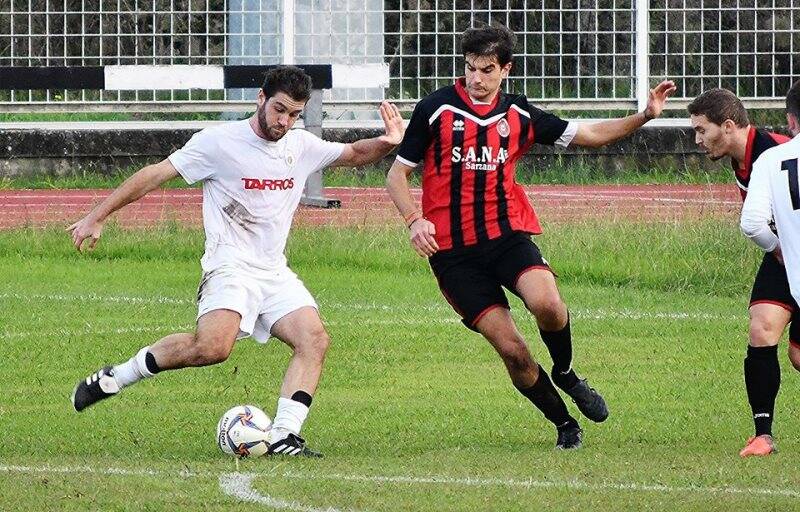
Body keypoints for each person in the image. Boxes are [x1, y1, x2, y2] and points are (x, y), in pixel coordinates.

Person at [68, 65, 405, 457]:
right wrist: (97, 215)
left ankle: (284, 435)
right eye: (279, 109)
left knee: (313, 338)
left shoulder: (301, 145)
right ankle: (117, 376)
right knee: (212, 348)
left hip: (273, 270)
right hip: (229, 265)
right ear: (261, 99)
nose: (285, 121)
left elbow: (354, 153)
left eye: (294, 114)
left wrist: (389, 140)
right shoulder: (218, 142)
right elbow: (155, 175)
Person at [386, 24, 675, 449]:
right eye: (470, 68)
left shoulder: (519, 114)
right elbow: (397, 175)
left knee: (549, 304)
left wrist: (645, 116)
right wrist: (414, 219)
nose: (476, 79)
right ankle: (564, 425)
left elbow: (588, 136)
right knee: (514, 351)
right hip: (453, 256)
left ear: (506, 69)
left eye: (486, 70)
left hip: (506, 238)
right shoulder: (435, 109)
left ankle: (566, 371)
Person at [688, 88, 795, 457]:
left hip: (786, 250)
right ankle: (763, 435)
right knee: (761, 327)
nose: (697, 140)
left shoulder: (777, 150)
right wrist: (777, 247)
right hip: (780, 253)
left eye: (702, 130)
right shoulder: (741, 157)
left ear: (728, 125)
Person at [739, 80, 800, 456]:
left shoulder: (771, 160)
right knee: (763, 328)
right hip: (786, 269)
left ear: (791, 120)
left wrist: (780, 247)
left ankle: (762, 439)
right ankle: (763, 432)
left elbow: (752, 223)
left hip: (788, 262)